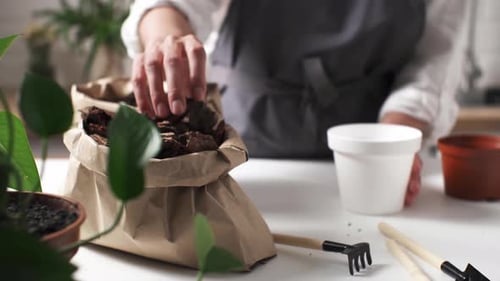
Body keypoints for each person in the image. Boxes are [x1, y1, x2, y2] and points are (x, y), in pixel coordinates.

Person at [120, 0, 467, 205]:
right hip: (241, 158)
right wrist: (166, 40)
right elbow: (171, 4)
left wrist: (392, 143)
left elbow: (435, 59)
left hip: (365, 158)